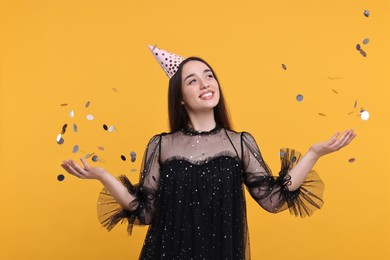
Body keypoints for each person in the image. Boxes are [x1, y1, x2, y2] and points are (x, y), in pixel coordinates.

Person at [61, 46, 356, 259]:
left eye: (209, 76)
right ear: (179, 98)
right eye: (193, 80)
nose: (205, 84)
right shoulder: (161, 145)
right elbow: (145, 211)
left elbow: (274, 199)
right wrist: (102, 176)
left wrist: (314, 153)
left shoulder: (239, 142)